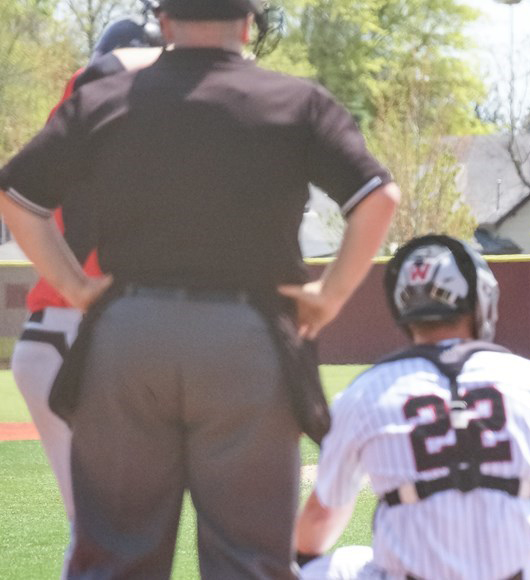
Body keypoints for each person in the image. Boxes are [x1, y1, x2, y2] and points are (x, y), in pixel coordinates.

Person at [0, 0, 400, 577]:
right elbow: (378, 198)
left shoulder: (106, 98)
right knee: (248, 560)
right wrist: (330, 294)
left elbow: (16, 195)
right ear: (247, 24)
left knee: (115, 557)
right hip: (249, 337)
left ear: (164, 23)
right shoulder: (295, 101)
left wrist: (75, 285)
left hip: (127, 336)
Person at [294, 234, 530, 580]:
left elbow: (320, 520)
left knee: (329, 566)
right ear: (481, 299)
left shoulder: (364, 393)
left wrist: (300, 559)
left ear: (403, 308)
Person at [8, 13, 163, 578]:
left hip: (46, 340)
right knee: (126, 526)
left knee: (93, 527)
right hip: (107, 341)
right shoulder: (158, 113)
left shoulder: (77, 104)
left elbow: (20, 191)